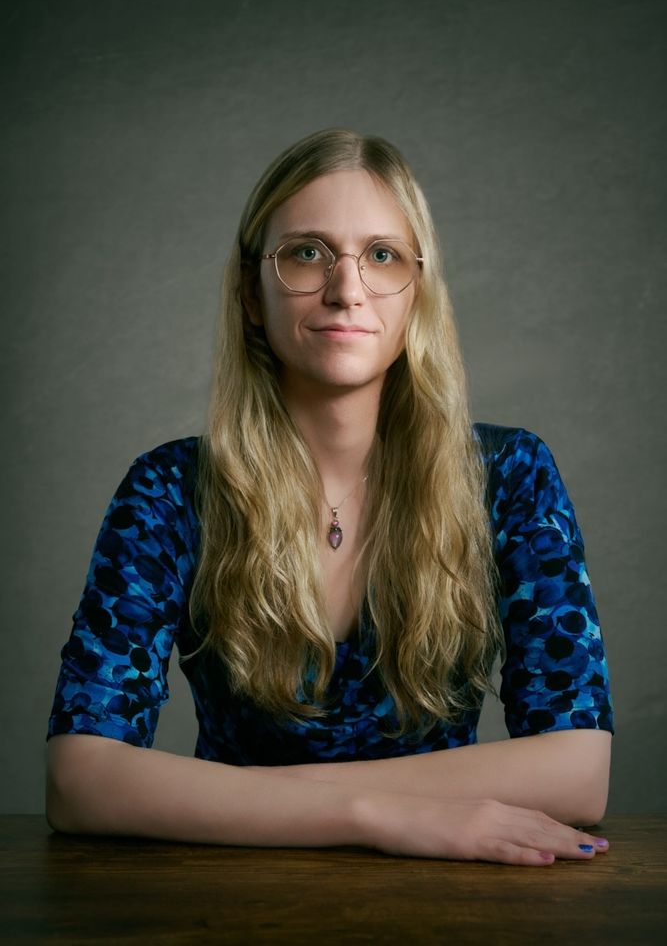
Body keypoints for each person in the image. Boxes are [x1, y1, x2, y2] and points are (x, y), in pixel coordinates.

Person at [46, 128, 614, 865]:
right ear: (251, 295)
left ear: (417, 293)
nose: (346, 288)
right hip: (230, 902)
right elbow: (80, 781)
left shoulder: (508, 475)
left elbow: (576, 772)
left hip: (450, 902)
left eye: (381, 255)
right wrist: (374, 814)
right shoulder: (168, 491)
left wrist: (260, 794)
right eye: (307, 252)